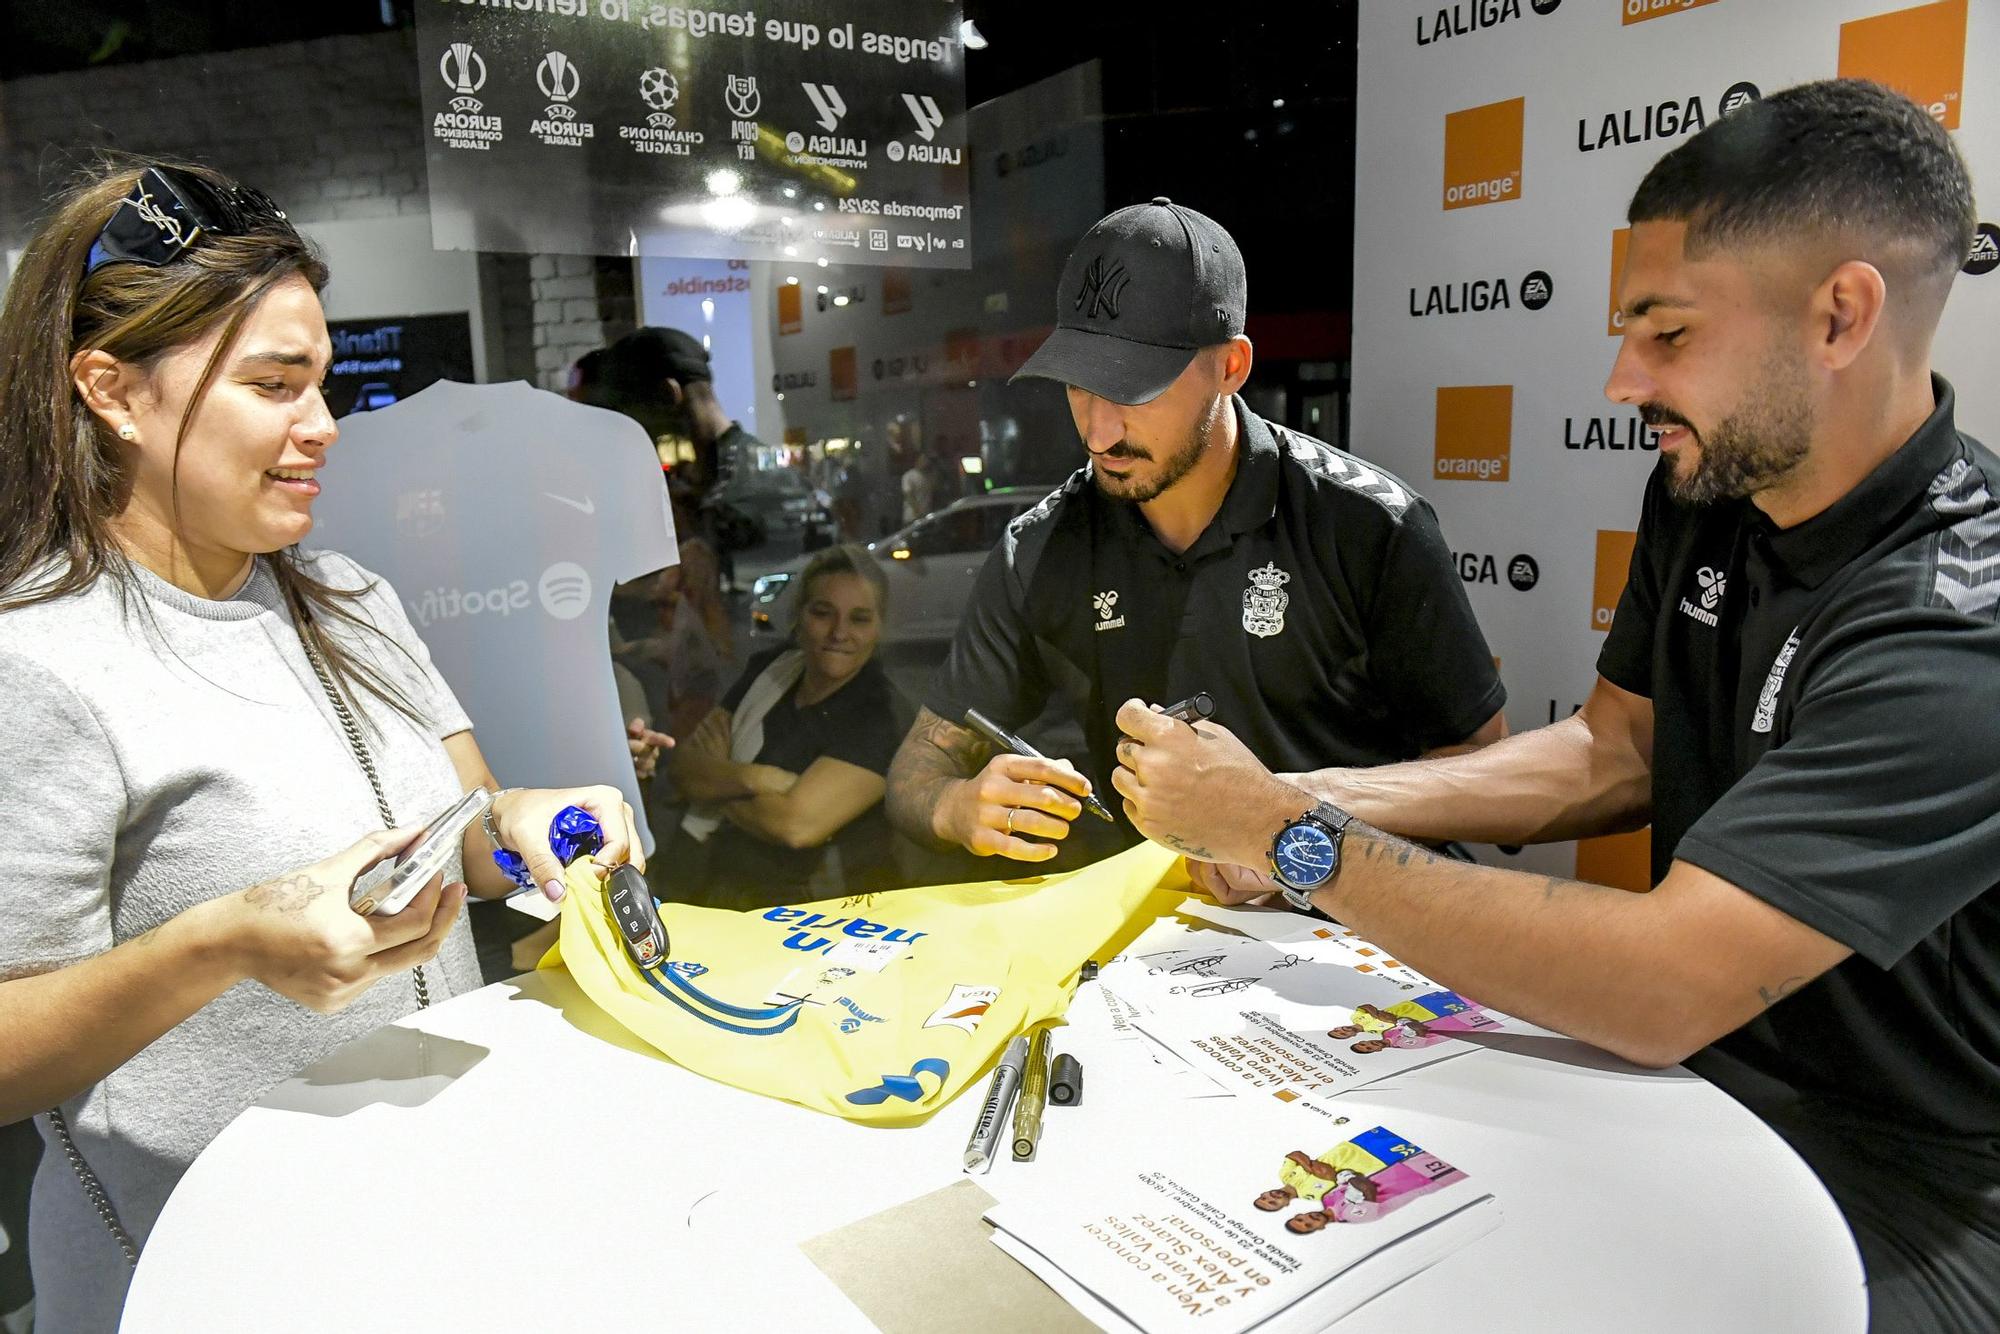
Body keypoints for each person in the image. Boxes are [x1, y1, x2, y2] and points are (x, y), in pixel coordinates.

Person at [1112, 81, 1998, 1333]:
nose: (1621, 375)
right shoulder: (1703, 489)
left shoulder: (1958, 620)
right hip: (1680, 1095)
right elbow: (1610, 745)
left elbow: (1664, 979)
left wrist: (1294, 842)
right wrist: (1305, 798)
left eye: (1666, 333)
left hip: (1899, 1187)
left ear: (1840, 316)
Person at [0, 161, 647, 1332]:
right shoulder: (39, 660)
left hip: (416, 1224)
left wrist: (523, 828)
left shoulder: (347, 595)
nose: (322, 426)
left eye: (323, 383)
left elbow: (461, 833)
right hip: (202, 1272)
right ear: (110, 389)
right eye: (272, 385)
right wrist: (223, 944)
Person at [884, 197, 1508, 868]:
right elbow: (917, 771)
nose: (1099, 432)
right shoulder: (1041, 548)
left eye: (1133, 388)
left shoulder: (1366, 525)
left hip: (1352, 930)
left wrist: (1292, 834)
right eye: (1077, 386)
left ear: (1232, 367)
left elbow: (1484, 768)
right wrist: (956, 807)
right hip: (1153, 945)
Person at [663, 545, 910, 907]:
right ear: (799, 616)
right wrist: (756, 780)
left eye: (859, 619)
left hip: (813, 916)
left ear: (879, 627)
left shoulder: (879, 713)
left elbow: (795, 827)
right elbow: (684, 769)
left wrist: (716, 780)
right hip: (713, 889)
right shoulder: (773, 669)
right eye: (823, 613)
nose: (839, 633)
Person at [900, 451, 936, 525]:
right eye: (923, 460)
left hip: (927, 516)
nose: (925, 462)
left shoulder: (928, 477)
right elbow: (908, 495)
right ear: (916, 461)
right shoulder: (908, 476)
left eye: (926, 460)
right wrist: (918, 511)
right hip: (912, 517)